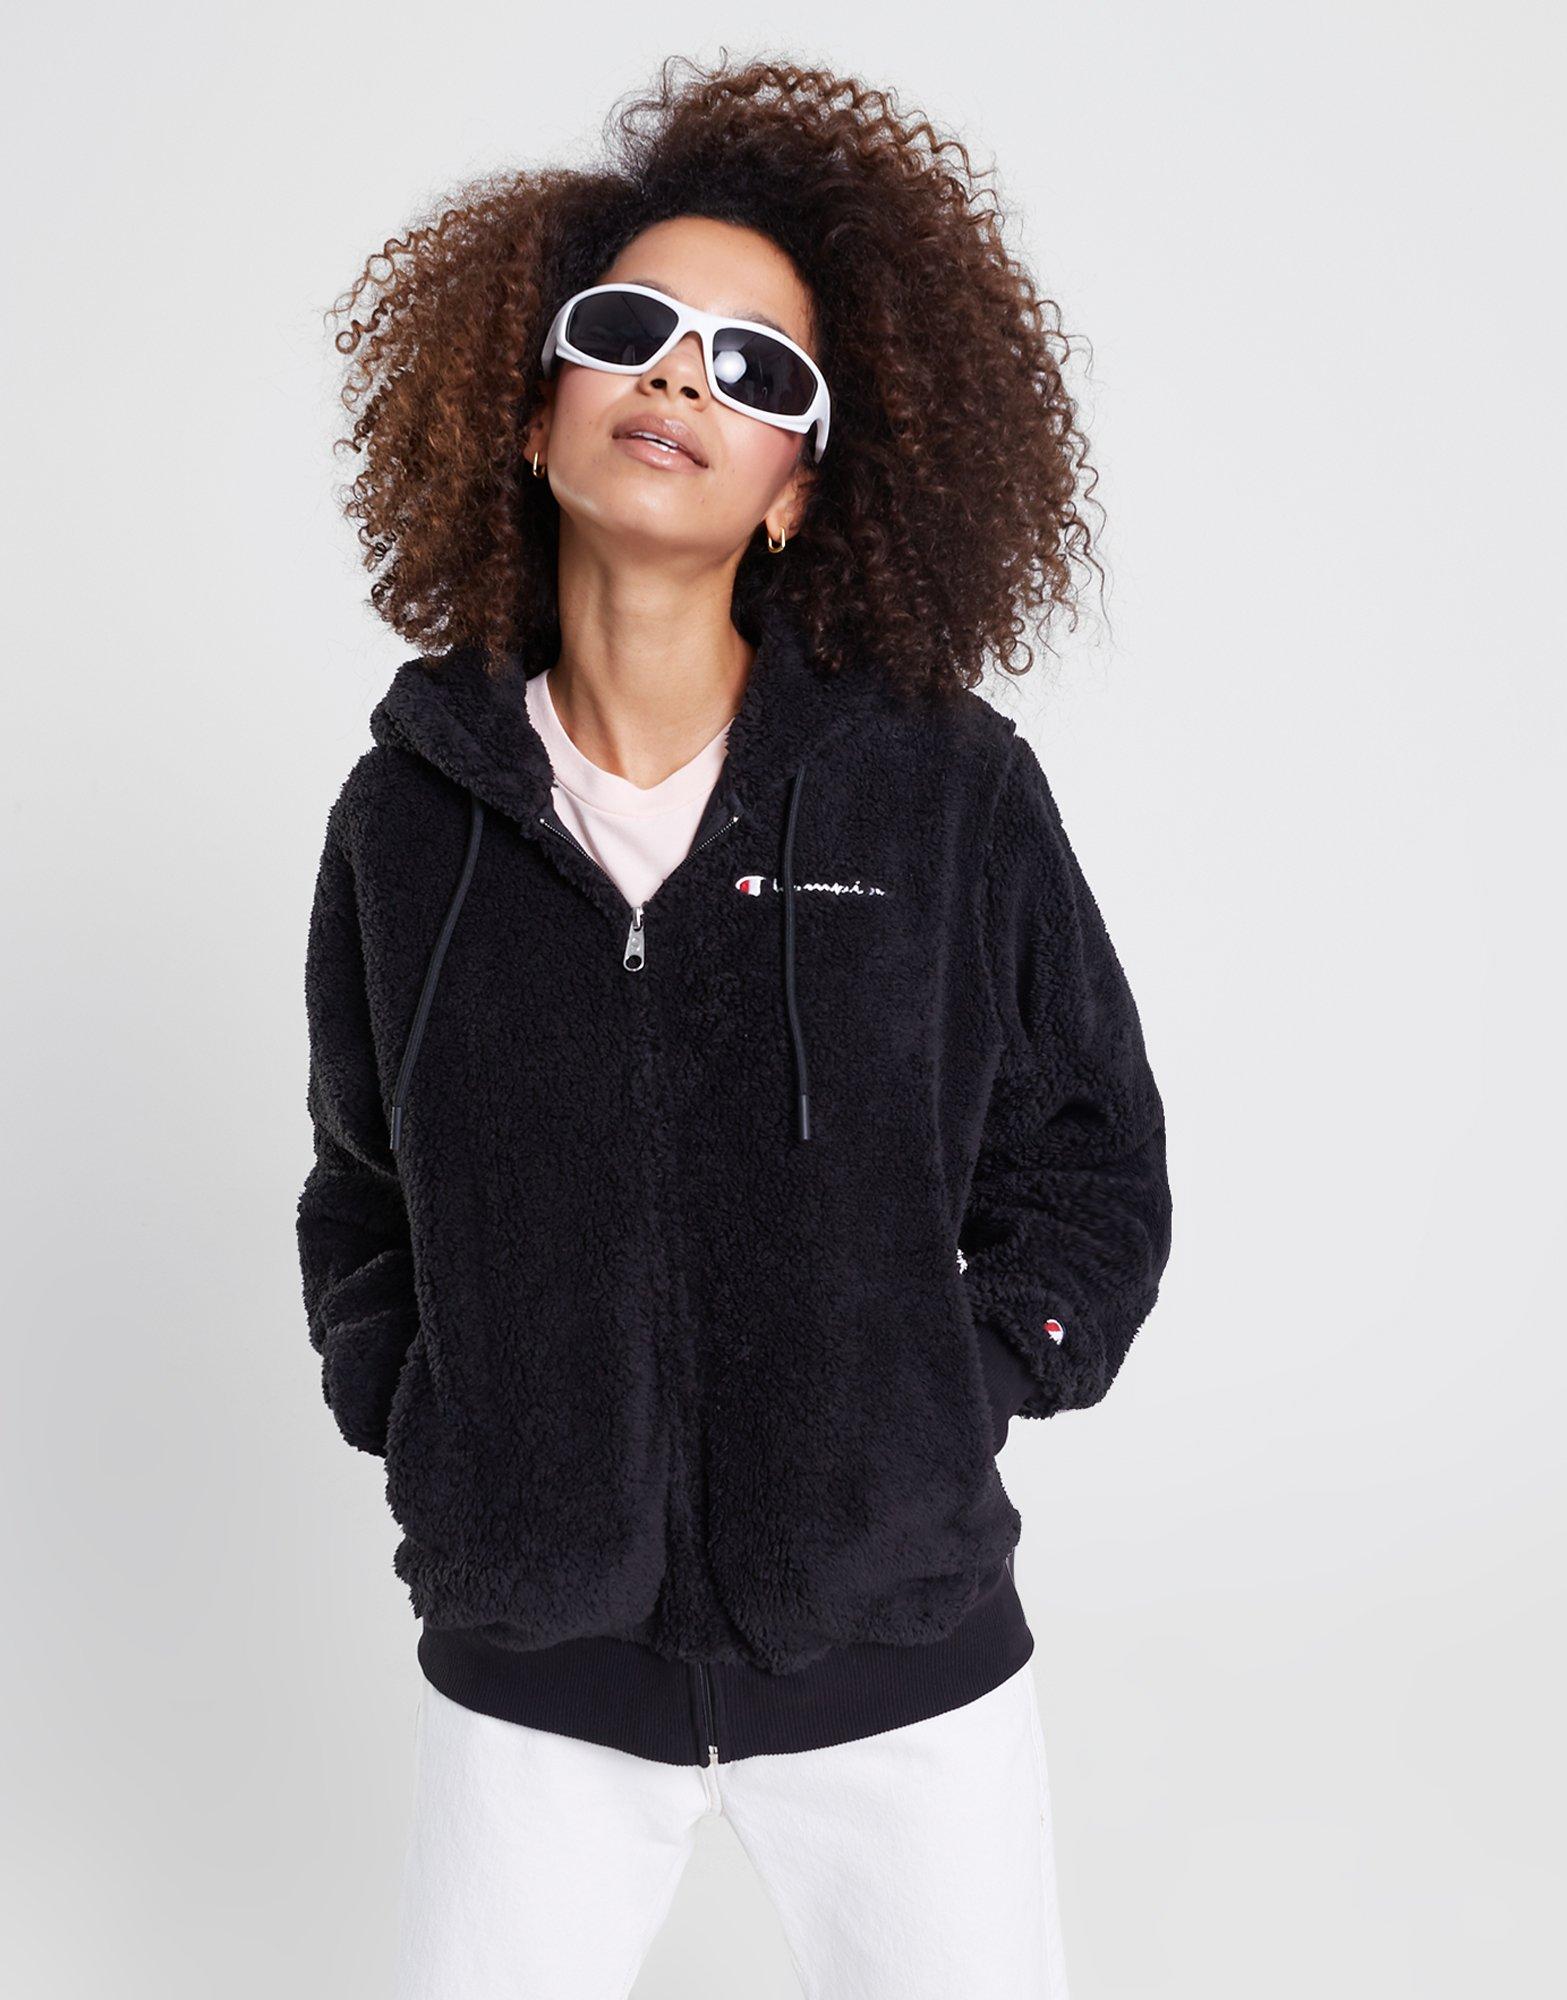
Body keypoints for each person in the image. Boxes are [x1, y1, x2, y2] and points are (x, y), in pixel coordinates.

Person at [296, 54, 1172, 2000]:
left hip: (895, 1660)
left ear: (797, 493)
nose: (682, 379)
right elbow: (359, 1190)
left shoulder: (941, 790)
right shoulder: (408, 819)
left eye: (754, 368)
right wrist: (419, 1411)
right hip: (534, 1672)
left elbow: (1091, 1161)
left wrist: (948, 1388)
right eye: (630, 334)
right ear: (534, 410)